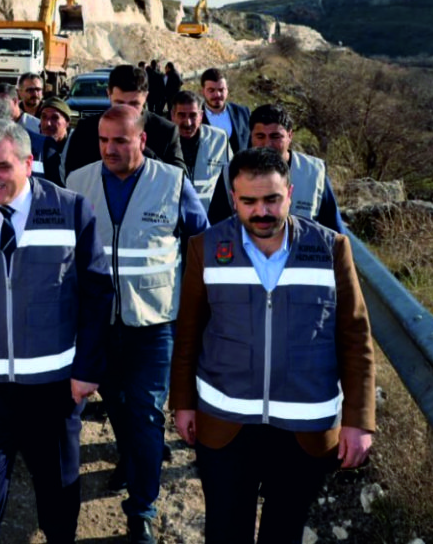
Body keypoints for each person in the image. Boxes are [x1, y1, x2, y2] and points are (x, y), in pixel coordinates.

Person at [171, 148, 375, 544]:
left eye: (272, 199)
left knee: (284, 533)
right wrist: (182, 403)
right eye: (248, 201)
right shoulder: (206, 248)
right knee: (226, 533)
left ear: (290, 193)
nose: (260, 211)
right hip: (225, 426)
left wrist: (359, 419)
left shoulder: (330, 248)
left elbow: (354, 336)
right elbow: (189, 334)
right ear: (233, 198)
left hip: (305, 432)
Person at [0, 120, 115, 544]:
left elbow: (96, 294)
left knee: (56, 491)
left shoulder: (70, 209)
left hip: (52, 388)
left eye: (1, 167)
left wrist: (88, 368)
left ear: (28, 163)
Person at [65, 107, 209, 544]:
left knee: (147, 413)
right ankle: (131, 458)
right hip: (97, 325)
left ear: (142, 141)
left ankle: (141, 509)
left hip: (153, 323)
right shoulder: (77, 184)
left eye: (121, 141)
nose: (110, 149)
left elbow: (201, 243)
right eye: (104, 140)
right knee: (119, 407)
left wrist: (202, 312)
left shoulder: (172, 182)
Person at [207, 104, 346, 234]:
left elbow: (334, 230)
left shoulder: (314, 172)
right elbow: (216, 228)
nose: (267, 144)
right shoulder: (231, 172)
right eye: (260, 136)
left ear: (290, 136)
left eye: (275, 137)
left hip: (301, 256)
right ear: (251, 136)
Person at [63, 65, 187, 178]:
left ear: (146, 98)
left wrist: (142, 151)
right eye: (119, 103)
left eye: (134, 104)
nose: (126, 111)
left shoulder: (165, 132)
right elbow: (72, 177)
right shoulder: (87, 130)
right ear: (109, 95)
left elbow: (180, 181)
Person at [170, 90, 231, 210]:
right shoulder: (161, 141)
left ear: (201, 115)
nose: (187, 123)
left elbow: (232, 177)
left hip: (211, 217)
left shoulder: (219, 139)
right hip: (174, 217)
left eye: (193, 116)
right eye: (182, 115)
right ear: (172, 115)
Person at [198, 68, 251, 154]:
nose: (217, 94)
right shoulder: (194, 117)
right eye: (211, 90)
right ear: (203, 91)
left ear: (227, 90)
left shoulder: (243, 113)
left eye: (221, 90)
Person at [39, 96, 74, 186]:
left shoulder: (76, 146)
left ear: (67, 122)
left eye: (55, 118)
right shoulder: (34, 145)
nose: (48, 123)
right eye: (44, 117)